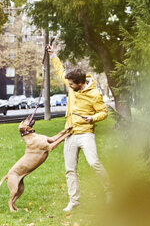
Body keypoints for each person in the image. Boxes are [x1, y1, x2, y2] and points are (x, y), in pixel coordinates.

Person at [47, 45, 111, 212]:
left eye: (72, 84)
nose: (69, 85)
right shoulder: (71, 85)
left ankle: (111, 192)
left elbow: (104, 112)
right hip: (70, 133)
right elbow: (61, 71)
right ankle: (74, 200)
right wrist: (53, 55)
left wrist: (92, 118)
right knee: (70, 169)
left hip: (86, 134)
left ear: (81, 83)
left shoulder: (94, 94)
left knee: (94, 163)